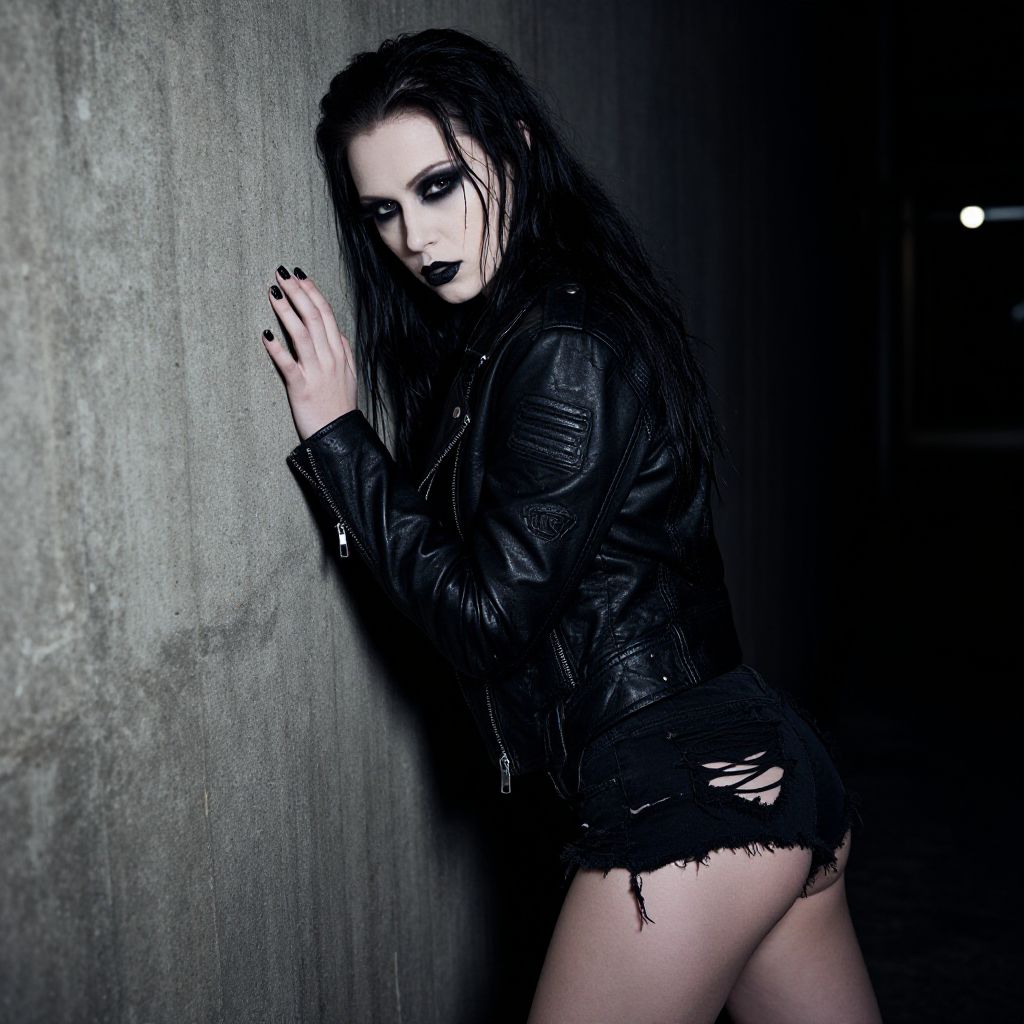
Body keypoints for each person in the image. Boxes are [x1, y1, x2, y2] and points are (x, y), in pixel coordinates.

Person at [260, 27, 882, 1024]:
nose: (415, 238)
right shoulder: (523, 332)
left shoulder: (563, 342)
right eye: (383, 210)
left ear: (516, 146)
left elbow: (485, 621)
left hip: (687, 795)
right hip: (753, 771)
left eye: (438, 186)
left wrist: (339, 436)